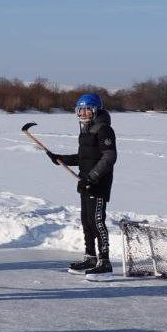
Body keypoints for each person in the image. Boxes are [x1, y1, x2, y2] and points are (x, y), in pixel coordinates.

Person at [46, 93, 117, 276]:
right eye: (81, 109)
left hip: (98, 184)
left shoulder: (104, 130)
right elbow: (83, 158)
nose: (83, 113)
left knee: (97, 222)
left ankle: (105, 262)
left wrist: (92, 177)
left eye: (87, 109)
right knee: (86, 221)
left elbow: (109, 157)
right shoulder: (86, 130)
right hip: (84, 183)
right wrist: (61, 159)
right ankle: (90, 257)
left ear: (95, 110)